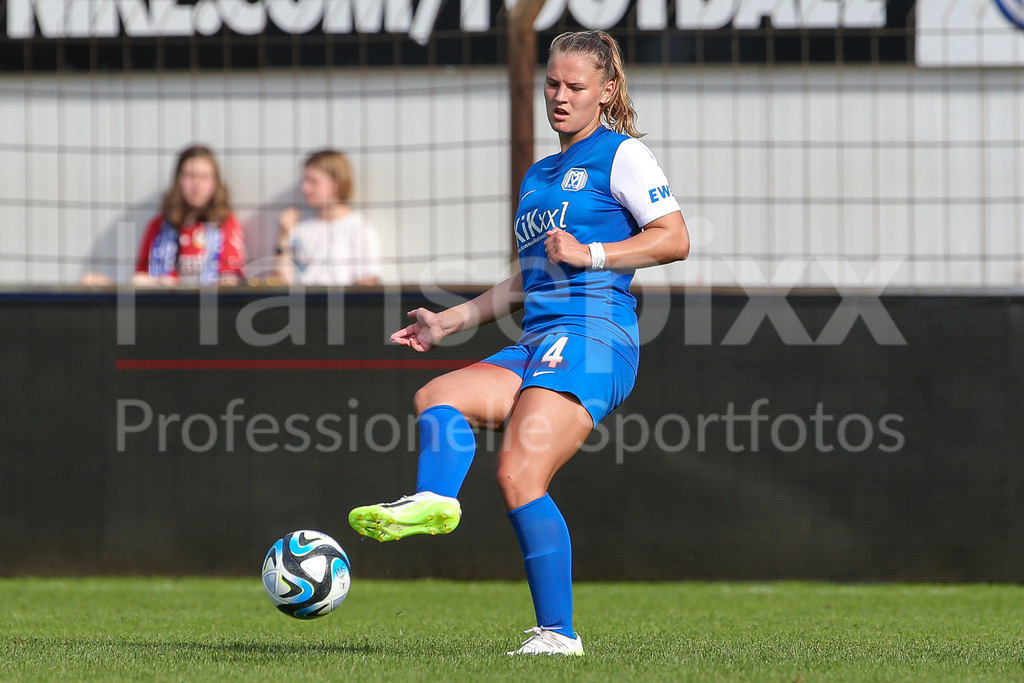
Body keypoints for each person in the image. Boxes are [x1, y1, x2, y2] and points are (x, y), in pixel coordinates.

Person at [348, 30, 689, 656]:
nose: (559, 96)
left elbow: (674, 238)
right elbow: (529, 278)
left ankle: (558, 636)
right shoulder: (539, 174)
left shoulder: (623, 155)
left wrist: (594, 252)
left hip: (594, 334)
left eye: (575, 87)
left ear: (606, 92)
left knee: (518, 471)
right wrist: (453, 320)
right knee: (438, 395)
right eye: (552, 84)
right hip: (540, 336)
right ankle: (435, 501)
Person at [133, 145, 245, 286]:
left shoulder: (226, 224)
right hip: (166, 303)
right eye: (190, 176)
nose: (197, 184)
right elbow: (139, 278)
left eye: (204, 177)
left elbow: (233, 279)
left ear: (215, 181)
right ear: (178, 179)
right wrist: (160, 283)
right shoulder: (159, 225)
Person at [275, 149, 382, 286]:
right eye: (305, 181)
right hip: (301, 305)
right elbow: (281, 282)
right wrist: (283, 236)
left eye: (313, 182)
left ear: (336, 184)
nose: (305, 189)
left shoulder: (357, 227)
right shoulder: (300, 227)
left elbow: (368, 281)